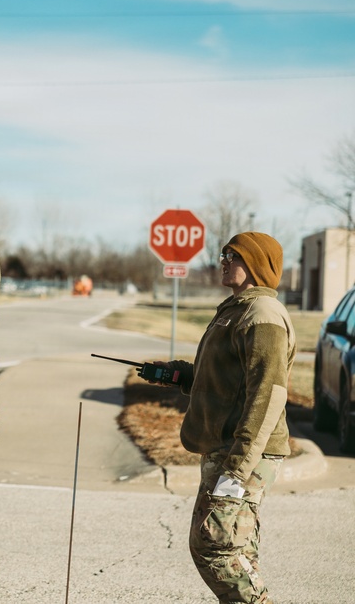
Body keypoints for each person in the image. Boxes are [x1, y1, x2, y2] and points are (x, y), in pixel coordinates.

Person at [155, 232, 294, 604]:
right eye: (224, 254)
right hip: (224, 446)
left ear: (257, 263)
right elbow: (225, 380)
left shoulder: (262, 315)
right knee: (237, 548)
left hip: (245, 452)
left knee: (213, 544)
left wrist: (237, 468)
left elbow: (266, 396)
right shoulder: (236, 309)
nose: (223, 260)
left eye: (233, 255)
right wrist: (177, 374)